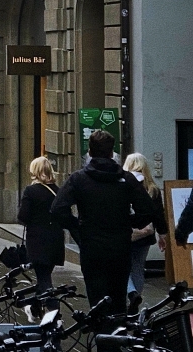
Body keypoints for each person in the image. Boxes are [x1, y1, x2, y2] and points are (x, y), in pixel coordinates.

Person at [51, 129, 165, 315]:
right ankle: (117, 329)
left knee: (97, 300)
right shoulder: (126, 179)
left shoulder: (79, 179)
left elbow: (57, 209)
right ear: (112, 153)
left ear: (90, 151)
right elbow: (148, 211)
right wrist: (129, 222)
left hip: (92, 246)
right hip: (119, 246)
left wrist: (77, 226)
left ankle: (101, 329)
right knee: (118, 299)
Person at [16, 156, 64, 318]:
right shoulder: (57, 191)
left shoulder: (31, 191)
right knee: (44, 276)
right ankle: (34, 309)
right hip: (56, 240)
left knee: (44, 280)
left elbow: (23, 216)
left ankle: (55, 314)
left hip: (38, 242)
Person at [124, 152, 166, 313]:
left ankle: (131, 293)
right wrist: (162, 235)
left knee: (123, 268)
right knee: (138, 268)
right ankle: (135, 301)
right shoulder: (153, 189)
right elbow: (159, 215)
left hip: (127, 234)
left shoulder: (123, 185)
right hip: (146, 235)